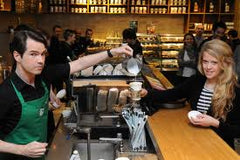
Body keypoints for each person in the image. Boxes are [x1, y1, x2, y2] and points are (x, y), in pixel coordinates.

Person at [0, 29, 132, 160]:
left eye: (43, 54)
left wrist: (112, 52)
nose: (40, 60)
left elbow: (80, 63)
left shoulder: (42, 76)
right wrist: (21, 149)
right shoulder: (6, 92)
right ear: (17, 56)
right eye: (33, 54)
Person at [141, 39, 240, 149]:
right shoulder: (196, 81)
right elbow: (171, 94)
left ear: (225, 64)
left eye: (214, 62)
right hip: (196, 140)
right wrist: (146, 93)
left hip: (220, 147)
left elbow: (237, 130)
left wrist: (215, 123)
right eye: (205, 61)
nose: (208, 67)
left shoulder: (235, 90)